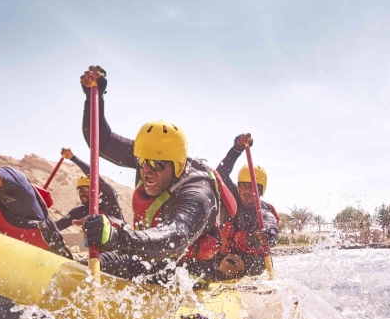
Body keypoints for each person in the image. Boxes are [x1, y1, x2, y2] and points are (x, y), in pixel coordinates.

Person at [77, 65, 226, 282]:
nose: (146, 169)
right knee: (91, 266)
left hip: (191, 273)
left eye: (155, 164)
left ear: (176, 164)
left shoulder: (198, 194)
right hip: (149, 258)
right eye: (141, 162)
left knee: (120, 266)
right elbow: (101, 142)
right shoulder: (147, 158)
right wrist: (94, 98)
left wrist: (118, 238)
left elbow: (176, 237)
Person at [215, 133, 279, 278]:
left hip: (253, 261)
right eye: (243, 186)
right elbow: (220, 174)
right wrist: (236, 149)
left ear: (261, 190)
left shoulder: (264, 212)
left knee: (229, 264)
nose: (246, 191)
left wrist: (267, 234)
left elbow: (271, 225)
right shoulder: (233, 200)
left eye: (251, 187)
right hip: (227, 254)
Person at [55, 147, 124, 231]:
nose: (82, 193)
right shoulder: (80, 211)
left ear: (96, 190)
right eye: (80, 190)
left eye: (85, 189)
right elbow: (57, 226)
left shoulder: (110, 200)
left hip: (122, 240)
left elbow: (95, 176)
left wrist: (73, 158)